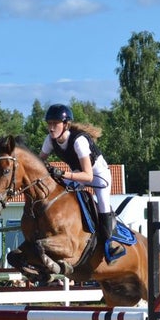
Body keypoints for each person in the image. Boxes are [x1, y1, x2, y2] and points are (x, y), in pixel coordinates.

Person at [39, 103, 123, 261]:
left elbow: (88, 177)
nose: (51, 128)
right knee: (63, 197)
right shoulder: (49, 140)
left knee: (103, 206)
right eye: (49, 124)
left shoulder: (79, 141)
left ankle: (111, 244)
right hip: (78, 174)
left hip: (98, 175)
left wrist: (63, 173)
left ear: (66, 125)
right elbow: (38, 162)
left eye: (55, 124)